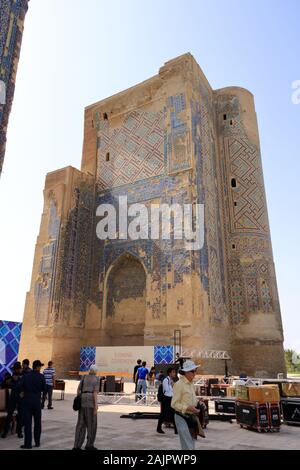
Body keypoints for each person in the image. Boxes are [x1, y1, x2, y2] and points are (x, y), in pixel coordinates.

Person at [171, 360, 205, 450]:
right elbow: (174, 404)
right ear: (186, 372)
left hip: (191, 416)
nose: (195, 373)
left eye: (195, 370)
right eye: (192, 371)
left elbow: (191, 398)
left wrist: (198, 402)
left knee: (191, 442)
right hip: (181, 417)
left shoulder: (191, 384)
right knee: (187, 444)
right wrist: (187, 408)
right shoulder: (179, 385)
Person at [19, 360, 46, 449]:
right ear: (37, 367)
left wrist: (22, 393)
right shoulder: (41, 377)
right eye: (40, 366)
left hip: (27, 402)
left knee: (28, 423)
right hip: (36, 402)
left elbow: (19, 387)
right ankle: (37, 442)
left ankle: (28, 444)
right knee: (37, 423)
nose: (40, 368)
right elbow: (44, 389)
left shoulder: (26, 376)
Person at [73, 365, 99, 451]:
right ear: (95, 372)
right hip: (90, 402)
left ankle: (77, 446)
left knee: (81, 424)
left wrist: (81, 398)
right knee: (92, 424)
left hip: (83, 401)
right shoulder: (96, 379)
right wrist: (96, 406)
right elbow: (95, 393)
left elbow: (78, 390)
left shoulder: (84, 377)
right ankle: (89, 445)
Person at [1, 362, 23, 439]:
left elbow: (24, 386)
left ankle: (19, 432)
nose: (18, 370)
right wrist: (9, 381)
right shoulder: (12, 376)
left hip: (20, 398)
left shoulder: (23, 376)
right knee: (9, 415)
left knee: (20, 416)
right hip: (13, 397)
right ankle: (5, 432)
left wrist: (18, 381)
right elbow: (4, 384)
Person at [157, 367, 178, 435]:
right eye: (173, 372)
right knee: (163, 414)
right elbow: (166, 389)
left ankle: (176, 430)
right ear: (169, 373)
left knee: (173, 413)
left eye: (175, 372)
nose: (174, 373)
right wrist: (171, 385)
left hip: (170, 399)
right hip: (166, 399)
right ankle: (158, 428)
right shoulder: (166, 380)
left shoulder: (171, 380)